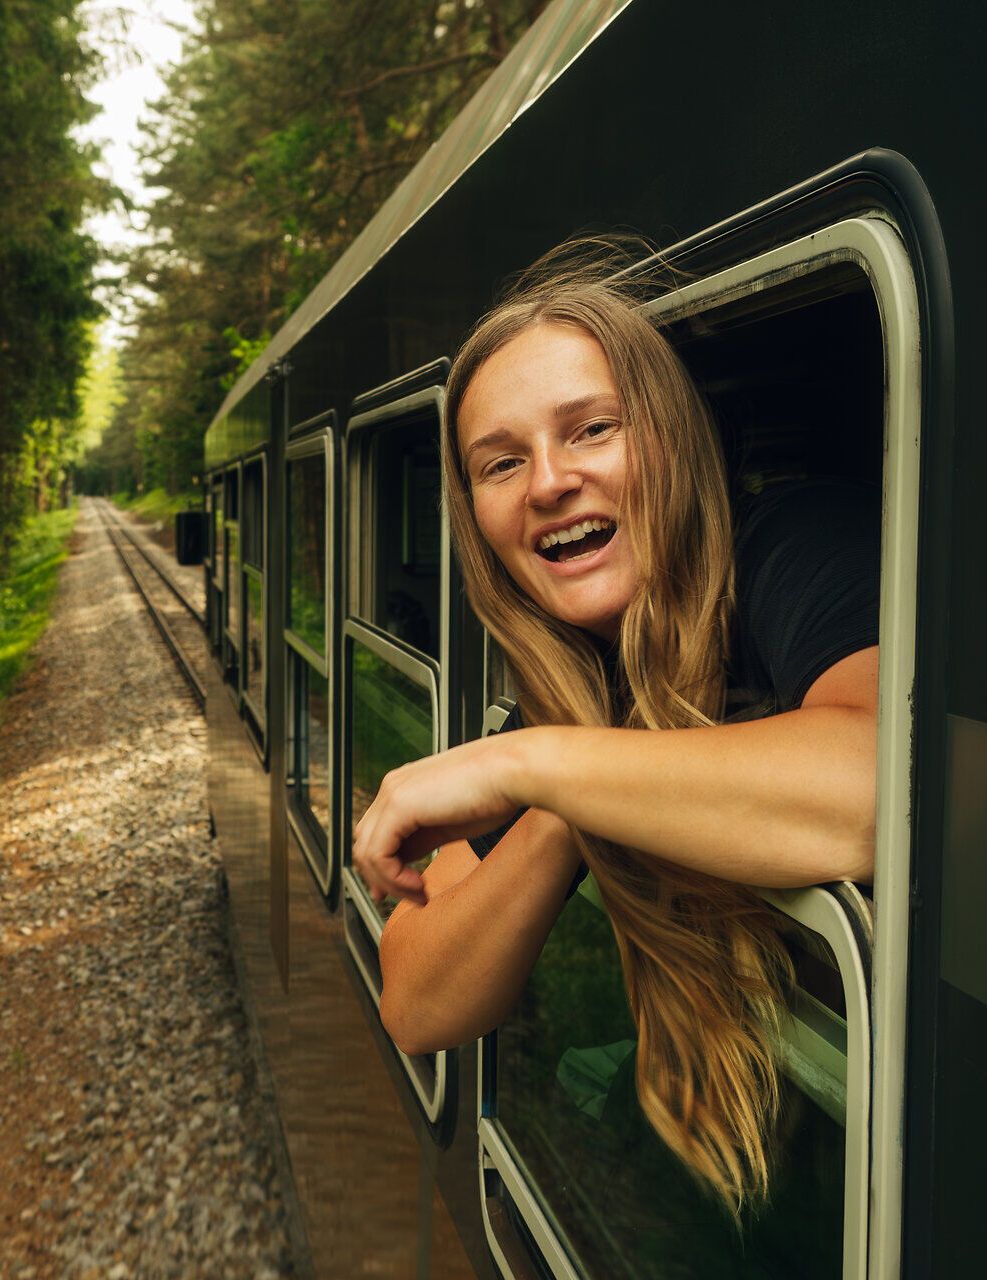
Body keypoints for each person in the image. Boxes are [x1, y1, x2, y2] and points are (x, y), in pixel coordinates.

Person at [351, 245, 879, 1218]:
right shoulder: (580, 693)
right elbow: (417, 996)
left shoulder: (796, 549)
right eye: (500, 462)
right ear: (479, 517)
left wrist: (536, 766)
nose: (549, 481)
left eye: (591, 429)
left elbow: (883, 783)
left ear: (670, 440)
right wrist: (566, 806)